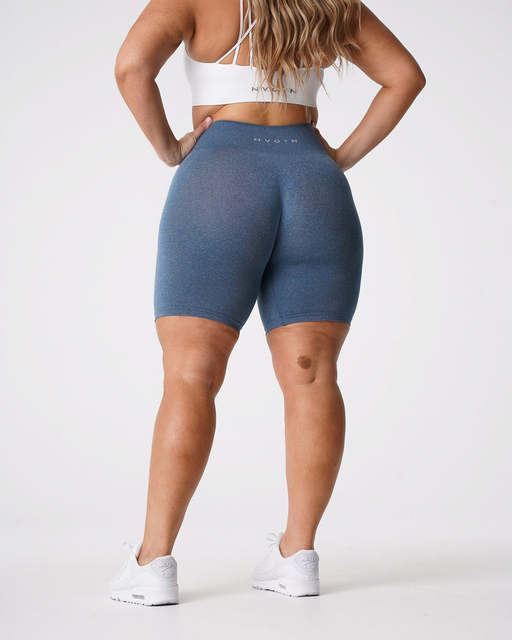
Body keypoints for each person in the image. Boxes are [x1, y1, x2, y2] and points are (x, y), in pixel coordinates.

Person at [110, 0, 425, 605]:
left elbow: (131, 67)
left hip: (220, 177)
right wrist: (337, 159)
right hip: (313, 184)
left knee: (191, 373)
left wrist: (170, 149)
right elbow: (404, 76)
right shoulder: (329, 2)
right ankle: (297, 556)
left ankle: (153, 563)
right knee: (312, 373)